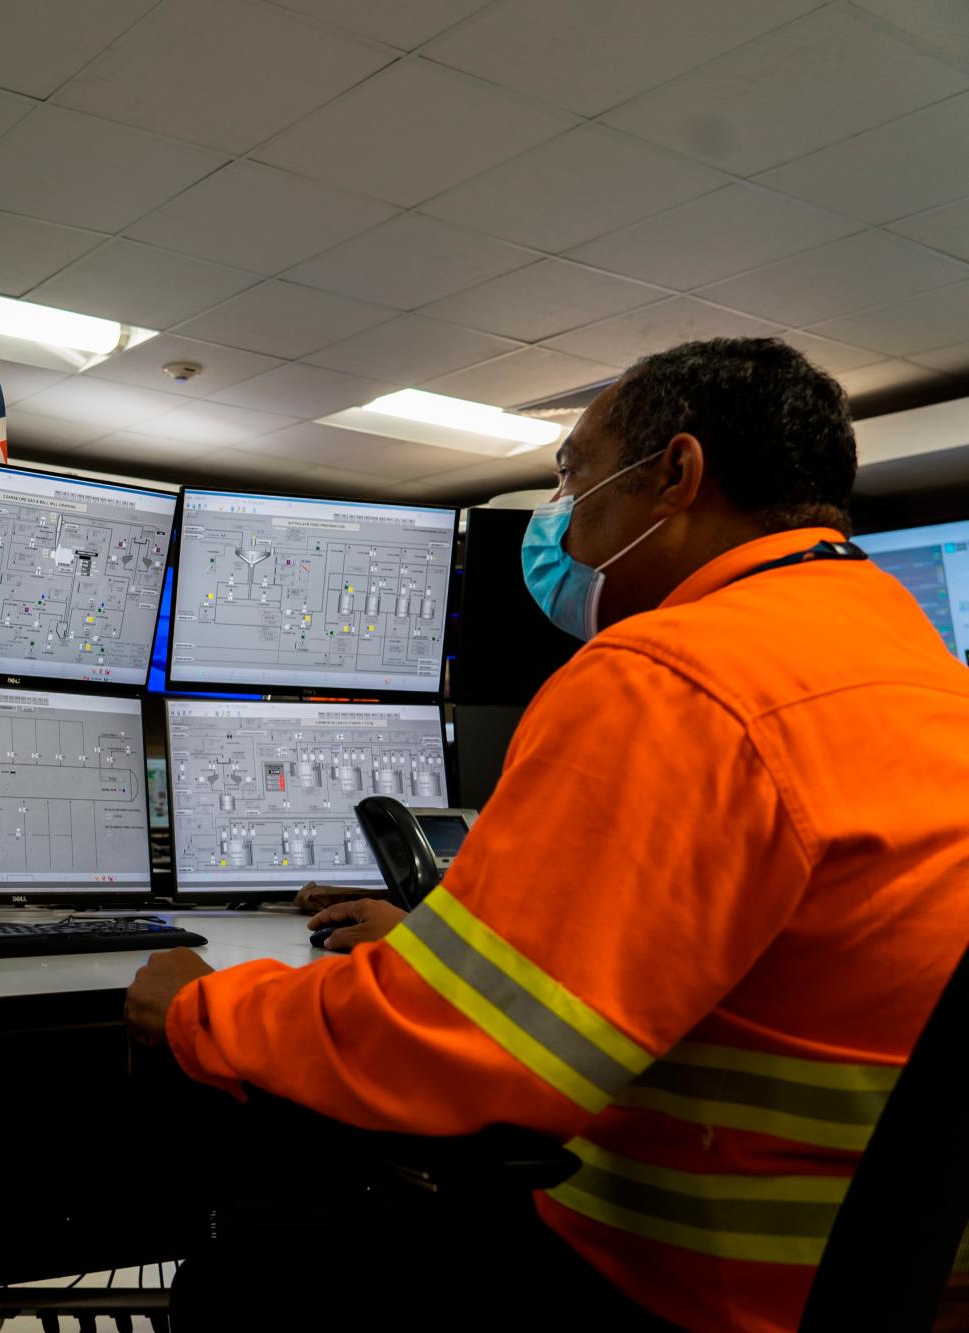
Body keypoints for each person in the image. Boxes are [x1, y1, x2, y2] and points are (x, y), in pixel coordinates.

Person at [126, 338, 969, 1331]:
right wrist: (438, 946)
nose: (558, 519)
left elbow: (456, 1057)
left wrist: (202, 1010)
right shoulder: (923, 674)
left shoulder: (670, 676)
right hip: (898, 1289)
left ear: (673, 474)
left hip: (689, 1289)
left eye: (571, 473)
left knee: (243, 1276)